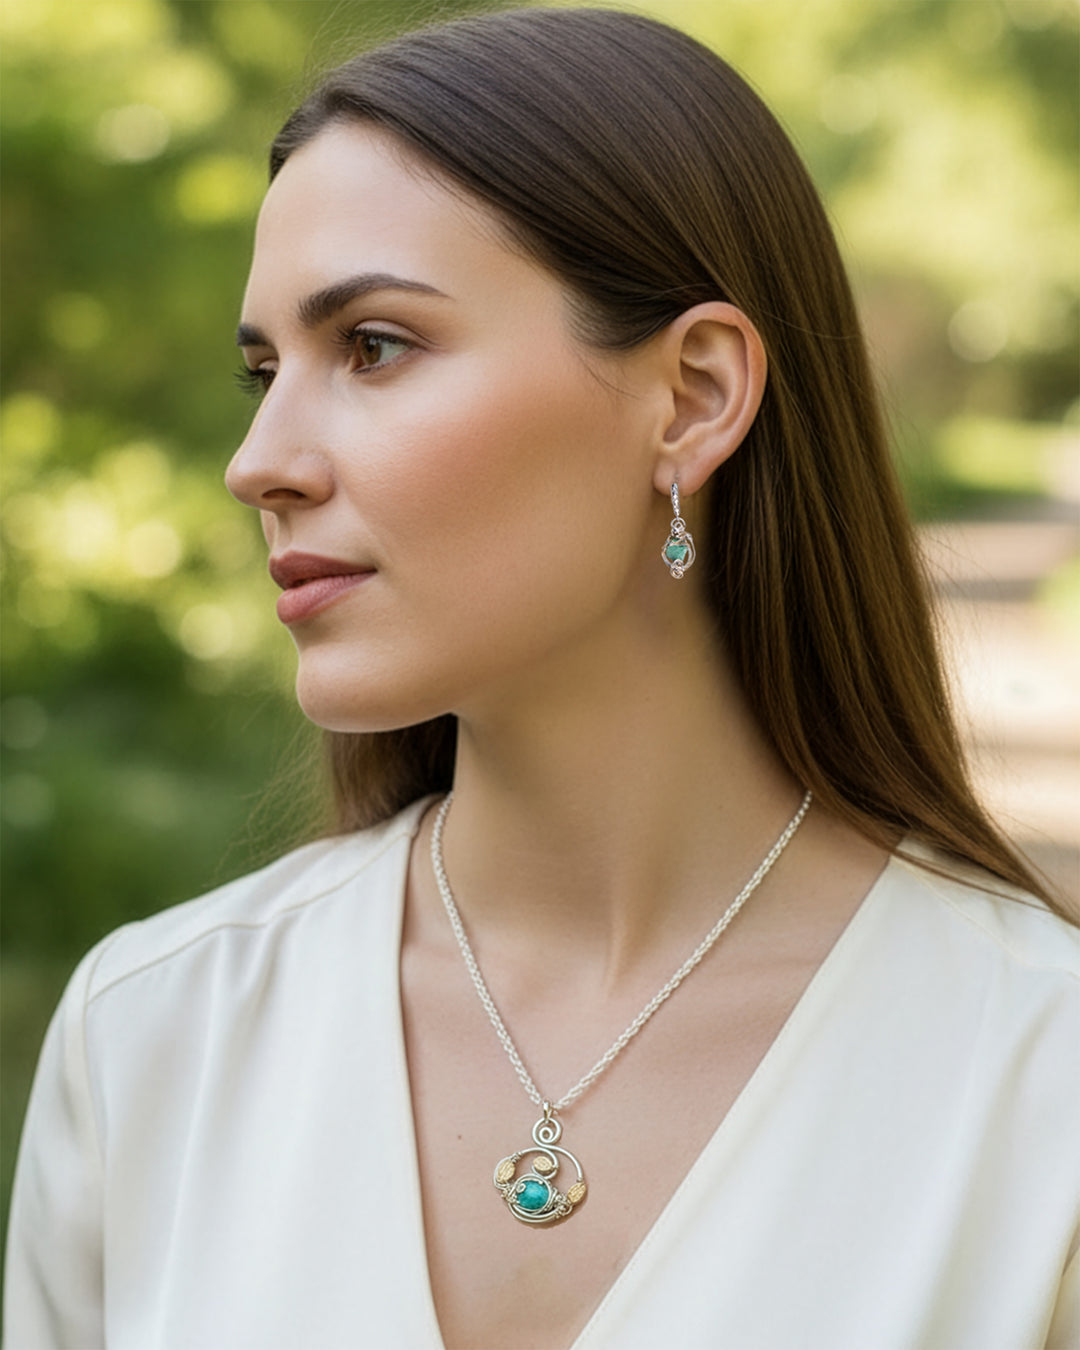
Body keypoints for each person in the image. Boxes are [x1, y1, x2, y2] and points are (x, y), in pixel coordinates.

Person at [5, 7, 1078, 1348]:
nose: (261, 460)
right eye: (262, 371)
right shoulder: (155, 1036)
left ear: (690, 397)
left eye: (375, 347)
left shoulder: (1040, 1080)